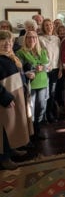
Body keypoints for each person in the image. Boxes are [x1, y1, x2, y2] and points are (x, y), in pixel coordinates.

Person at [0, 30, 30, 170]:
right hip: (5, 98)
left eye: (10, 41)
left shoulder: (11, 57)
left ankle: (11, 150)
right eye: (3, 41)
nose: (7, 44)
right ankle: (4, 158)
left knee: (13, 124)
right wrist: (5, 97)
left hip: (16, 94)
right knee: (5, 128)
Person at [17, 30, 49, 138]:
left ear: (37, 38)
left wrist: (42, 67)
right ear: (25, 39)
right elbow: (19, 70)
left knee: (41, 108)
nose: (32, 39)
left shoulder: (42, 51)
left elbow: (48, 66)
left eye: (34, 37)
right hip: (30, 84)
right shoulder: (21, 52)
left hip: (43, 82)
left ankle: (37, 129)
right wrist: (26, 74)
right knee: (30, 110)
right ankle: (30, 133)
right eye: (29, 37)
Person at [39, 18, 61, 122]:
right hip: (45, 69)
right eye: (46, 25)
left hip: (55, 69)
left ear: (53, 26)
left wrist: (61, 68)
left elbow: (60, 55)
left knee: (52, 93)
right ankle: (43, 116)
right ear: (43, 27)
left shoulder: (57, 39)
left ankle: (50, 113)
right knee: (44, 93)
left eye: (50, 25)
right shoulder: (40, 39)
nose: (49, 27)